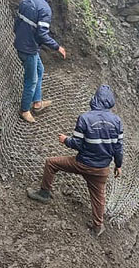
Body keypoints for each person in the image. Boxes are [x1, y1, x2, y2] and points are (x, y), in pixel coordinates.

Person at [26, 84, 125, 236]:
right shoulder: (117, 121)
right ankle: (98, 226)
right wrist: (118, 165)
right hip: (101, 169)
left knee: (51, 163)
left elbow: (77, 144)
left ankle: (44, 193)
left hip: (83, 163)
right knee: (99, 196)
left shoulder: (85, 118)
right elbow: (118, 147)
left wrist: (65, 140)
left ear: (95, 99)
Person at [13, 0, 67, 123]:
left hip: (22, 42)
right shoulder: (45, 9)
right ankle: (24, 110)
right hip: (28, 48)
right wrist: (57, 47)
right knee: (31, 79)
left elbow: (17, 20)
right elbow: (42, 34)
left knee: (40, 69)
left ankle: (37, 103)